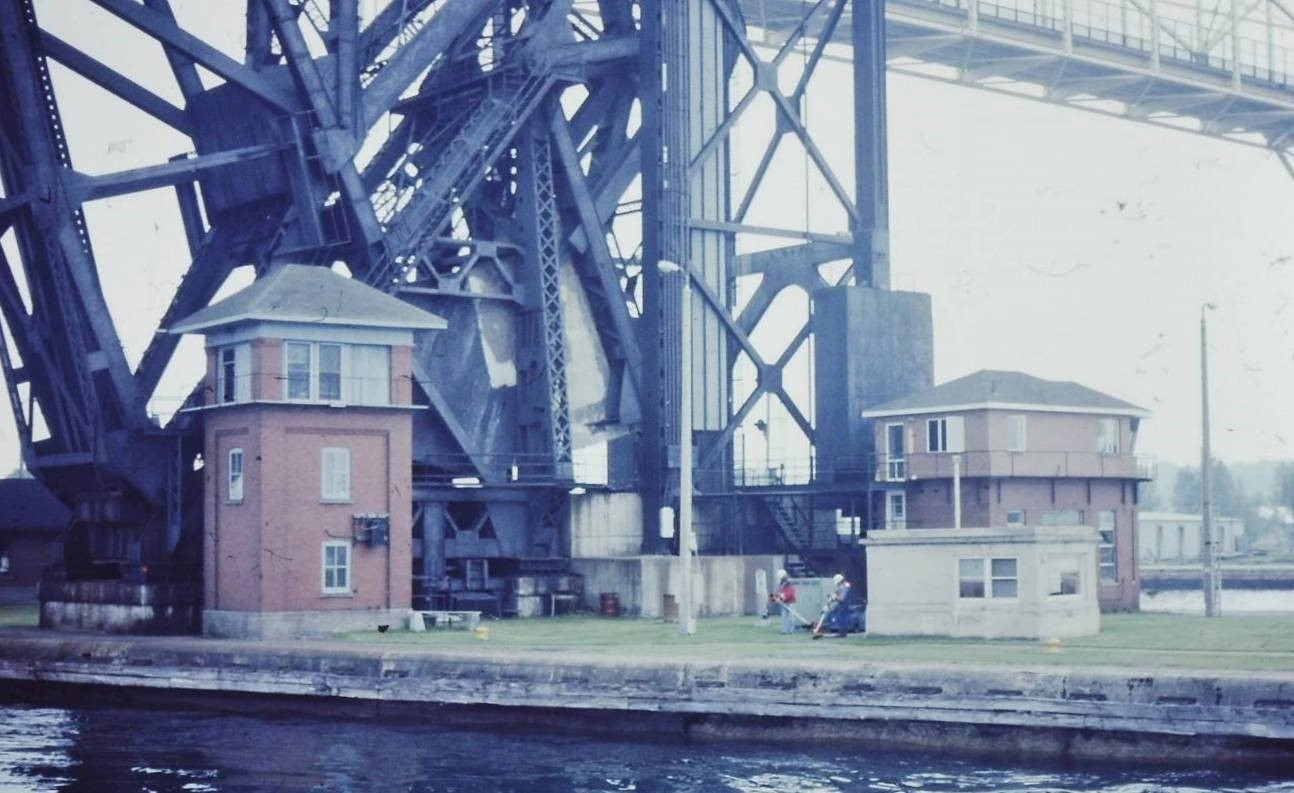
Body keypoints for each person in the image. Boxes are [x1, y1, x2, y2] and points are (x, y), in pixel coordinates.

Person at [813, 572, 852, 639]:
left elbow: (842, 598)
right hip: (842, 605)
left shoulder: (845, 587)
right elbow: (837, 594)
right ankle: (841, 632)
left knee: (842, 618)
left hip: (845, 605)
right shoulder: (843, 586)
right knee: (838, 617)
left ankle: (842, 633)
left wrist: (835, 597)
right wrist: (832, 597)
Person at [769, 569, 798, 634]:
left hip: (790, 603)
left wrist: (780, 598)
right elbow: (780, 592)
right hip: (784, 603)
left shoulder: (789, 583)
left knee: (791, 618)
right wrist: (775, 597)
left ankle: (790, 631)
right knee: (784, 617)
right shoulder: (782, 584)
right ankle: (784, 631)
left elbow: (789, 593)